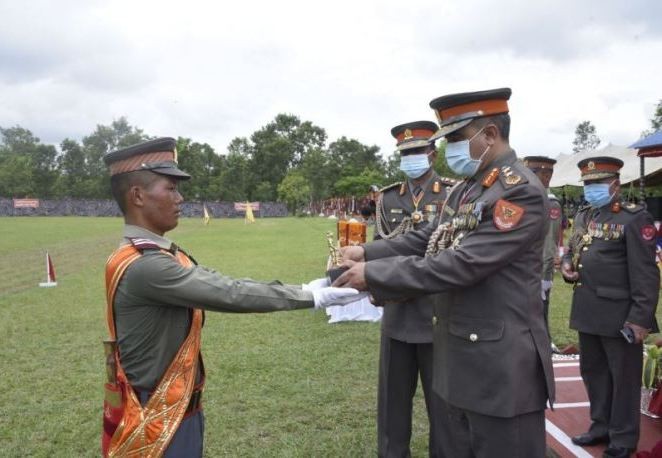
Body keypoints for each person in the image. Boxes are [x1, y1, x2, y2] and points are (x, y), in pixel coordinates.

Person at [101, 137, 361, 457]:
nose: (180, 198)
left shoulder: (143, 254)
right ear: (138, 195)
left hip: (169, 404)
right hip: (159, 413)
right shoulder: (146, 265)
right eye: (170, 188)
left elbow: (215, 280)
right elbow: (229, 293)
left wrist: (308, 287)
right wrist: (310, 296)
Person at [335, 88, 555, 457]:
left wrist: (374, 274)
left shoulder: (519, 193)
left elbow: (462, 264)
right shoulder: (469, 190)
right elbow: (428, 237)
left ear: (489, 135)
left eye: (456, 138)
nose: (451, 148)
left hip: (500, 370)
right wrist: (366, 251)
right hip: (463, 358)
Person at [561, 157, 659, 458]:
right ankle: (600, 426)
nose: (591, 189)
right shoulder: (585, 216)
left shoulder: (634, 219)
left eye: (597, 184)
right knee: (593, 372)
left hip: (620, 316)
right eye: (587, 184)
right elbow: (575, 251)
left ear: (614, 184)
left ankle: (623, 438)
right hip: (588, 310)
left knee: (624, 378)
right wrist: (568, 267)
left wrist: (640, 319)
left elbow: (646, 274)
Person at [375, 121, 448, 457]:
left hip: (439, 314)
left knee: (443, 405)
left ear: (432, 154)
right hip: (398, 312)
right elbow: (380, 247)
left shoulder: (452, 193)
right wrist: (381, 290)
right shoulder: (389, 197)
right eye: (405, 153)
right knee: (392, 402)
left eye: (417, 151)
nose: (411, 158)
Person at [523, 155, 564, 352]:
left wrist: (544, 276)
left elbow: (549, 243)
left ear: (547, 176)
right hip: (519, 271)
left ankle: (545, 343)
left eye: (532, 173)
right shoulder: (523, 197)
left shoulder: (550, 203)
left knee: (539, 311)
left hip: (537, 272)